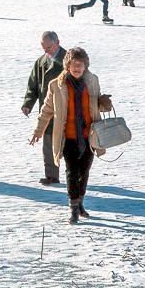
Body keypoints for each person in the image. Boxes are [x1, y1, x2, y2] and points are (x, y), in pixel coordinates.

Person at [29, 47, 113, 224]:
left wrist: (105, 103)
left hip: (90, 136)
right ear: (67, 65)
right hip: (68, 136)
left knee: (84, 171)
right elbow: (47, 110)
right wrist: (38, 131)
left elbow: (98, 106)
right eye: (74, 65)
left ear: (85, 66)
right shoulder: (56, 85)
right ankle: (73, 208)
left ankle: (80, 202)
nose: (77, 68)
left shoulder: (92, 81)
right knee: (72, 172)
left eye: (80, 65)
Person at [21, 31, 66, 185]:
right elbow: (33, 84)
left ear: (57, 42)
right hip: (47, 110)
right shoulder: (40, 62)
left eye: (49, 47)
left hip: (65, 111)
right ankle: (51, 176)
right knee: (48, 144)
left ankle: (75, 174)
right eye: (43, 48)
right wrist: (28, 103)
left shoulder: (68, 60)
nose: (46, 51)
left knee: (68, 145)